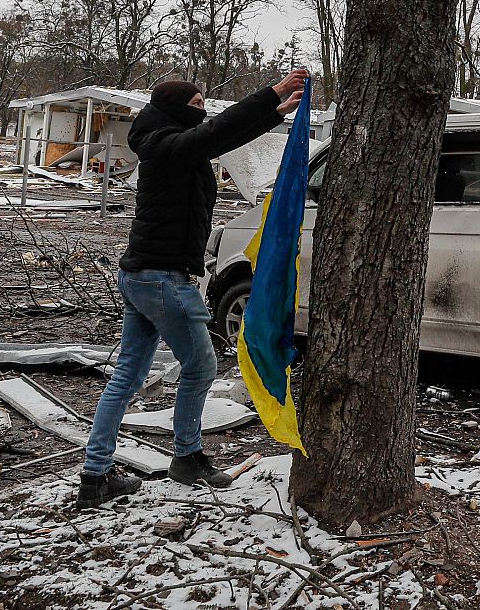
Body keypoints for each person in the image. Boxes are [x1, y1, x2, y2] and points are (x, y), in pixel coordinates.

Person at [77, 70, 307, 509]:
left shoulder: (165, 142)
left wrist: (270, 114)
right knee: (200, 365)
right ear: (178, 108)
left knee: (127, 375)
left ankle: (96, 476)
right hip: (161, 279)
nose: (204, 110)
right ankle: (187, 457)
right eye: (198, 103)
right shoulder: (165, 146)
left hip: (145, 277)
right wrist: (270, 95)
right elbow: (213, 135)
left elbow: (216, 138)